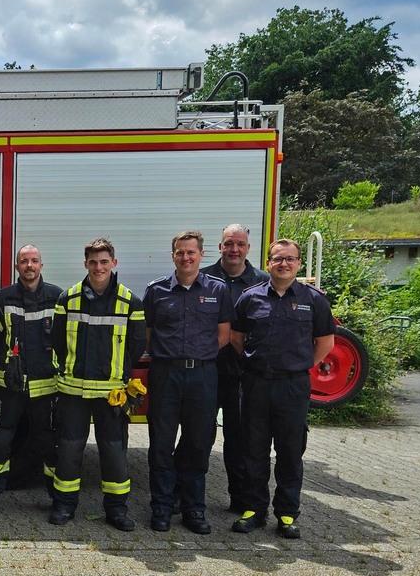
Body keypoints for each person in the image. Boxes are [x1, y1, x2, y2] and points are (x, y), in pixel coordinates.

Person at [231, 239, 335, 539]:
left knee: (290, 451)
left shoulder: (314, 300)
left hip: (292, 386)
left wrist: (298, 365)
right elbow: (236, 337)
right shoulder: (250, 297)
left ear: (299, 264)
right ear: (268, 263)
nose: (283, 264)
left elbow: (326, 343)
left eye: (290, 259)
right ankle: (253, 509)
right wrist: (255, 362)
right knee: (253, 449)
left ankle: (287, 514)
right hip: (256, 383)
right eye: (277, 259)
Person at [49, 238, 146, 531]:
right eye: (93, 262)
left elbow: (136, 345)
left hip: (111, 394)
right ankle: (64, 505)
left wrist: (117, 372)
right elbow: (57, 341)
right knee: (69, 451)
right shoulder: (68, 299)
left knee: (113, 453)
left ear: (113, 263)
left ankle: (116, 510)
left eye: (104, 262)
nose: (99, 267)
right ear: (85, 264)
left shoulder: (130, 302)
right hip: (73, 391)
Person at [142, 231, 233, 534]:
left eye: (191, 252)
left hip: (203, 376)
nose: (185, 258)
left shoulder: (218, 289)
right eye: (180, 253)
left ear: (201, 255)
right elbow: (149, 334)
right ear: (173, 256)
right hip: (166, 374)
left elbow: (223, 335)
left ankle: (193, 509)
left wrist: (197, 355)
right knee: (161, 443)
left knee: (197, 442)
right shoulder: (156, 291)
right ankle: (162, 507)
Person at [0, 244, 63, 511]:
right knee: (0, 440)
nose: (29, 265)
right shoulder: (2, 298)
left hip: (46, 385)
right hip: (10, 386)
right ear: (16, 266)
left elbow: (65, 338)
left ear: (41, 265)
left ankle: (57, 497)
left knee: (49, 443)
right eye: (24, 261)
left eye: (34, 260)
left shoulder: (57, 297)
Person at [202, 224, 271, 513]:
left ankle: (241, 500)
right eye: (229, 243)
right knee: (199, 436)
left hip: (244, 375)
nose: (234, 249)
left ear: (248, 248)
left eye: (240, 244)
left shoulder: (263, 282)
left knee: (240, 440)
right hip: (206, 372)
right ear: (220, 247)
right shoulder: (202, 278)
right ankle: (188, 498)